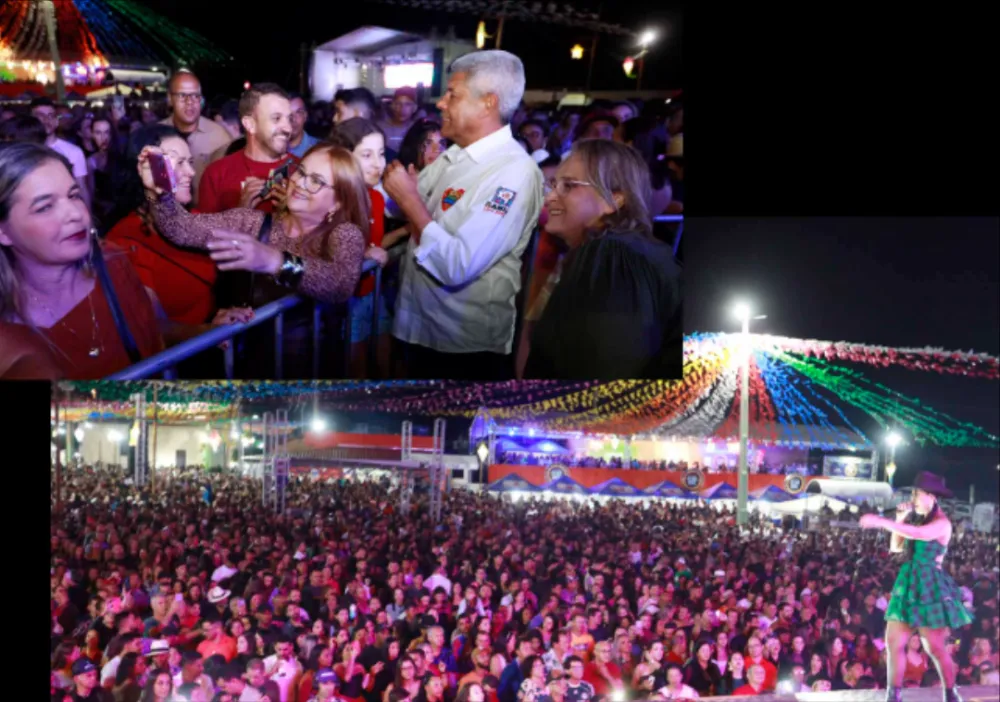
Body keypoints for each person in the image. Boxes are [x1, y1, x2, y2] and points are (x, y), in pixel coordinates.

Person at [138, 140, 368, 376]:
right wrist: (160, 192)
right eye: (301, 172)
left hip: (314, 371)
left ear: (339, 201)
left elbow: (341, 283)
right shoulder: (254, 222)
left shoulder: (344, 233)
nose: (299, 183)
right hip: (252, 364)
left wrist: (275, 261)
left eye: (316, 181)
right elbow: (182, 228)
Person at [383, 50, 543, 380]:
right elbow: (398, 206)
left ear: (488, 103)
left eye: (452, 94)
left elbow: (457, 264)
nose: (441, 103)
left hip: (461, 347)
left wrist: (411, 200)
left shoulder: (514, 172)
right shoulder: (455, 155)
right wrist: (404, 196)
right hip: (418, 328)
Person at [0, 142, 163, 379]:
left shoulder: (114, 264)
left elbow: (153, 333)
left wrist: (211, 331)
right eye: (45, 207)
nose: (76, 214)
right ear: (3, 232)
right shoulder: (8, 327)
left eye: (74, 195)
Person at [522, 138, 682, 380]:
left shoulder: (612, 257)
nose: (549, 198)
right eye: (553, 185)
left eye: (569, 186)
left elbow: (606, 381)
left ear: (613, 200)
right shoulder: (617, 252)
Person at [107, 124, 252, 331]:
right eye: (180, 163)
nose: (191, 172)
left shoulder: (192, 220)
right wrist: (207, 331)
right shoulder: (124, 242)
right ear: (145, 170)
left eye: (190, 162)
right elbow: (153, 329)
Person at [859, 471, 973, 702]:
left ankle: (951, 693)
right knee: (893, 643)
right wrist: (900, 518)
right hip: (908, 582)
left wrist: (881, 521)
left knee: (935, 648)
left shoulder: (942, 523)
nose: (913, 498)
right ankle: (894, 695)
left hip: (930, 585)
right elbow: (896, 547)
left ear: (932, 497)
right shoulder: (918, 519)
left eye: (916, 494)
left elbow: (919, 534)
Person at [328, 118, 392, 377]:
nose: (378, 163)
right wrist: (361, 254)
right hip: (346, 301)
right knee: (356, 373)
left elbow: (374, 242)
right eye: (366, 155)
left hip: (373, 294)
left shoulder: (376, 196)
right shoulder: (334, 200)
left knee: (385, 362)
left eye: (381, 153)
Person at [197, 83, 297, 215]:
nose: (288, 128)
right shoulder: (217, 174)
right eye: (276, 118)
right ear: (250, 124)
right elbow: (204, 233)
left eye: (289, 119)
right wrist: (240, 215)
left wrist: (295, 213)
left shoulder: (302, 171)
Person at [160, 70, 233, 201]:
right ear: (170, 99)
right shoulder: (156, 134)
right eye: (182, 95)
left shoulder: (219, 137)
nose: (190, 102)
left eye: (195, 96)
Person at [30, 97, 90, 206]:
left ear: (56, 121)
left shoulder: (73, 152)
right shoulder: (25, 151)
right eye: (40, 116)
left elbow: (82, 188)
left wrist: (89, 218)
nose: (46, 120)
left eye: (50, 115)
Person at [378, 88, 420, 156]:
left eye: (408, 104)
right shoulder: (380, 128)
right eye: (398, 103)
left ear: (414, 108)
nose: (402, 108)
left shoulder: (418, 129)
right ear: (392, 106)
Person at [288, 93, 320, 159]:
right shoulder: (271, 148)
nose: (293, 119)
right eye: (288, 113)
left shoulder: (319, 149)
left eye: (298, 112)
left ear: (305, 116)